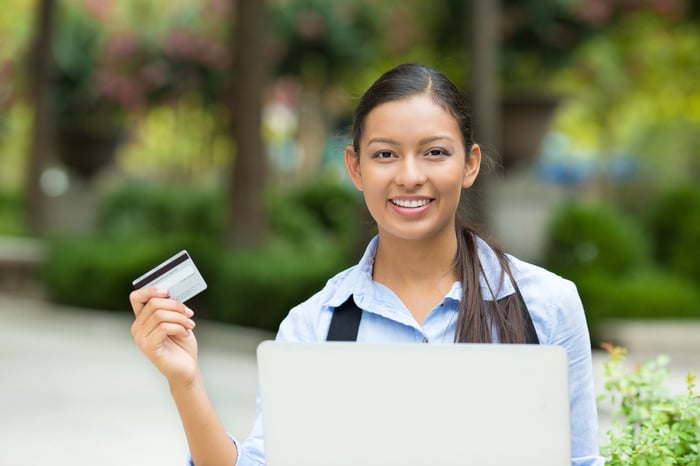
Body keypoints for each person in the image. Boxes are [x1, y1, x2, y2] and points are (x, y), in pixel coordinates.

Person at [129, 63, 604, 466]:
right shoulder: (314, 327)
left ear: (470, 164)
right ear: (355, 168)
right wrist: (185, 381)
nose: (410, 176)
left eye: (435, 152)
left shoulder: (546, 305)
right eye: (385, 155)